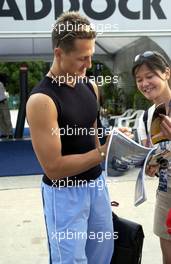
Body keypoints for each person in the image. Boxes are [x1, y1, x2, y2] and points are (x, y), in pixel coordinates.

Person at [26, 11, 115, 264]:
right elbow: (54, 169)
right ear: (59, 53)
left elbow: (93, 136)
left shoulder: (90, 86)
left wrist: (101, 184)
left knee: (102, 256)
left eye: (91, 56)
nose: (88, 64)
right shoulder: (42, 100)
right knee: (72, 261)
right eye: (82, 58)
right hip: (64, 194)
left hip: (96, 186)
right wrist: (102, 154)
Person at [132, 51, 171, 264]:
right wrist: (148, 164)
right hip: (166, 192)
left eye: (150, 76)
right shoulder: (147, 116)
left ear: (166, 73)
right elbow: (150, 156)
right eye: (139, 79)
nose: (144, 83)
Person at [0, 73, 13, 139]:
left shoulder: (0, 84)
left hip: (3, 102)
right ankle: (4, 133)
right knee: (1, 119)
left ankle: (10, 133)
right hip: (2, 102)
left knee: (6, 118)